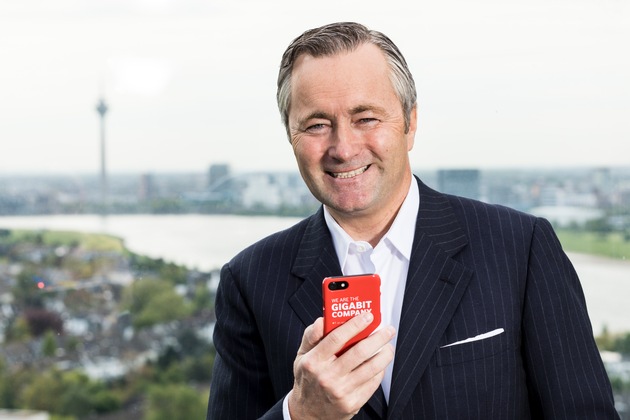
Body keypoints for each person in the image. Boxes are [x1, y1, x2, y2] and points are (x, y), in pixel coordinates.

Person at [207, 22, 619, 419]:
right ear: (290, 136)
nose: (343, 148)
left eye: (366, 118)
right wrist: (301, 416)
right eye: (316, 125)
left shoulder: (520, 249)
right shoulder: (250, 280)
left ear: (410, 123)